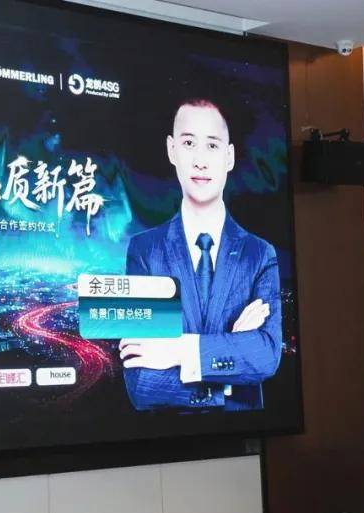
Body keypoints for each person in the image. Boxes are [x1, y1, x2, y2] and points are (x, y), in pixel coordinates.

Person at [120, 99, 282, 410]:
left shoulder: (259, 255)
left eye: (212, 145)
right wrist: (231, 361)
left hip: (245, 431)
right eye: (189, 143)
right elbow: (141, 383)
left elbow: (266, 355)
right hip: (167, 433)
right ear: (172, 150)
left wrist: (180, 351)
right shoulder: (145, 251)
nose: (200, 161)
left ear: (229, 156)